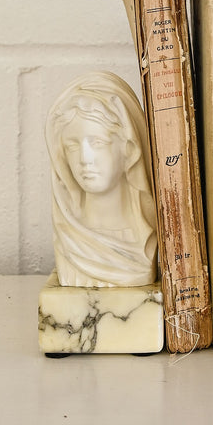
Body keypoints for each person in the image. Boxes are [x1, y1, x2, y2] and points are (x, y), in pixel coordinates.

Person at [46, 72, 157, 288]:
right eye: (73, 146)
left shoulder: (144, 244)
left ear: (128, 149)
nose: (85, 159)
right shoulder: (70, 243)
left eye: (97, 142)